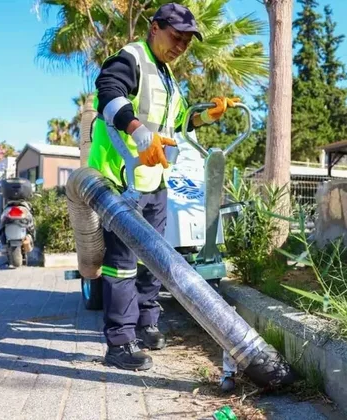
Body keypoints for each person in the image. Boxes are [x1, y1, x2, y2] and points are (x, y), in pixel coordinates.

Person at [88, 2, 238, 371]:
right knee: (122, 264)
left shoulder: (168, 76)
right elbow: (108, 92)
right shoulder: (131, 58)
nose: (181, 46)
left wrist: (207, 115)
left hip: (153, 180)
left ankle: (147, 321)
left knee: (155, 259)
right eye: (177, 37)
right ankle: (119, 343)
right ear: (155, 28)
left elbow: (178, 123)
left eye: (187, 42)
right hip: (121, 178)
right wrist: (137, 132)